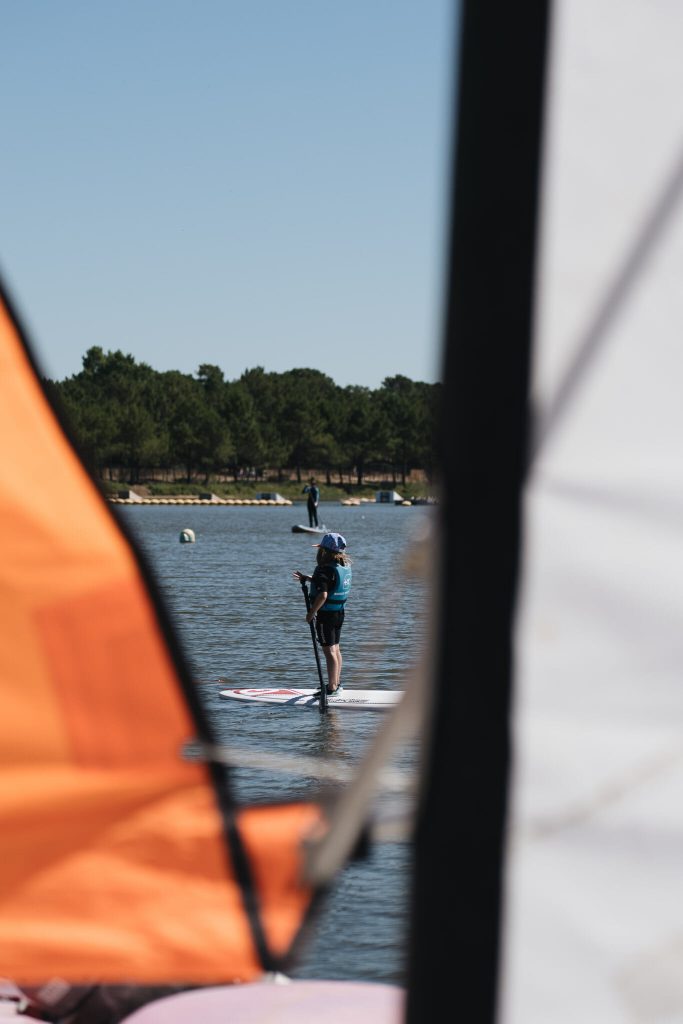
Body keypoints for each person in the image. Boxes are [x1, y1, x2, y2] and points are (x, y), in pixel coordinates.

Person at [293, 532, 351, 696]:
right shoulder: (343, 566)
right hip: (339, 613)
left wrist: (311, 613)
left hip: (325, 616)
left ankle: (331, 688)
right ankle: (336, 683)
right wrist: (309, 578)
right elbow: (329, 583)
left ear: (324, 551)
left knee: (329, 651)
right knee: (336, 648)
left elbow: (323, 595)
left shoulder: (323, 569)